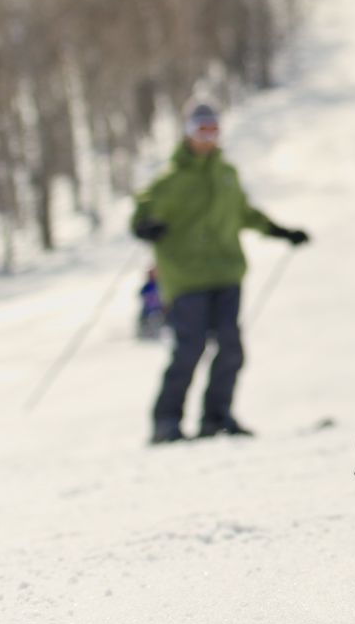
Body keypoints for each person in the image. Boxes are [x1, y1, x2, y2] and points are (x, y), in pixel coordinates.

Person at [131, 100, 310, 443]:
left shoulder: (226, 174)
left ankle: (217, 416)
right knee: (190, 346)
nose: (208, 138)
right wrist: (145, 226)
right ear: (187, 133)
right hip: (186, 276)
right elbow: (142, 211)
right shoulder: (171, 179)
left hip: (226, 271)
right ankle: (166, 421)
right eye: (201, 130)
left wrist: (281, 231)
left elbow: (244, 213)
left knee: (230, 346)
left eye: (213, 130)